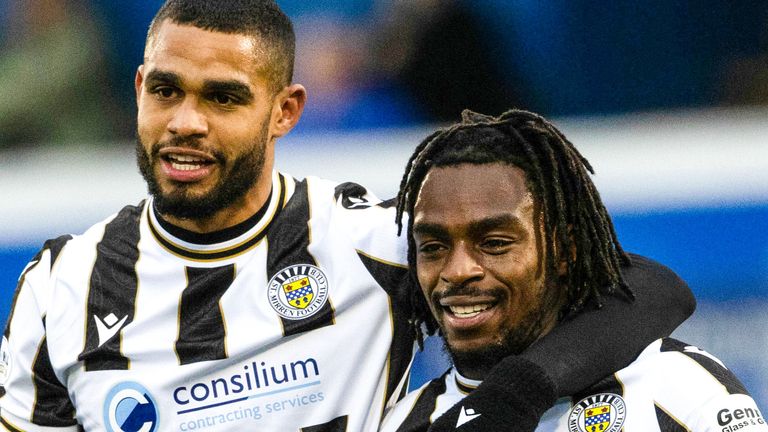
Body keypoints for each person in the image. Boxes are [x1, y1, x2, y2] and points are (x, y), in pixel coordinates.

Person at [0, 2, 694, 431]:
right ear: (139, 90)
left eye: (223, 99)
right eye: (167, 90)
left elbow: (647, 286)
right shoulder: (63, 287)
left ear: (285, 112)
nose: (186, 123)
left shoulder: (367, 240)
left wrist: (514, 395)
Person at [381, 109, 766, 431]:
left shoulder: (676, 388)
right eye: (432, 248)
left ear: (564, 251)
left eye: (495, 244)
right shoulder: (403, 421)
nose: (458, 270)